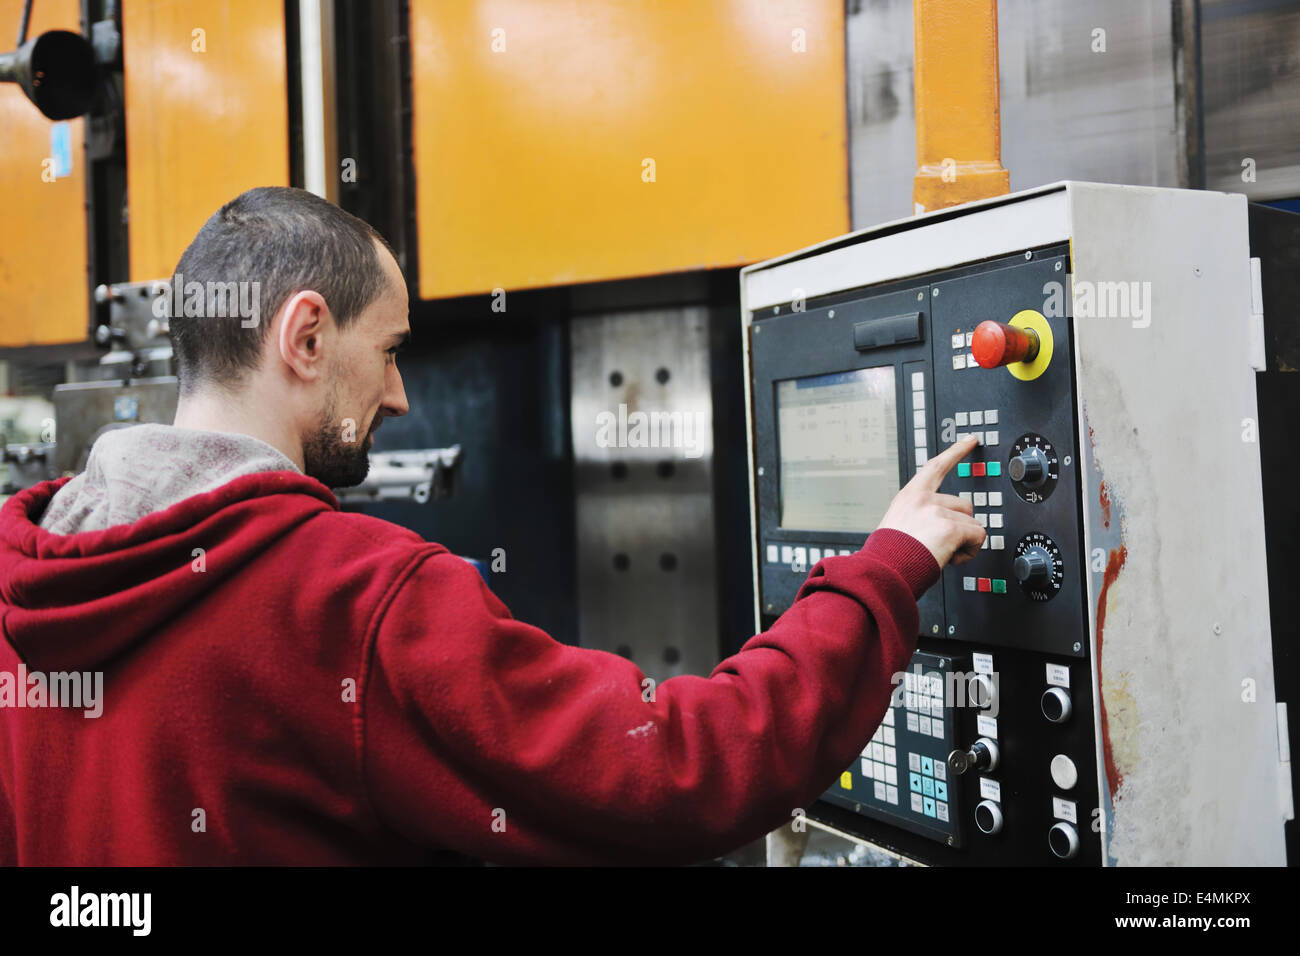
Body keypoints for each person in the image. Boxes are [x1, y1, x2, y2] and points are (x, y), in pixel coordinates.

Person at [0, 186, 984, 865]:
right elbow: (673, 769)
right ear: (304, 336)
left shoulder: (22, 574)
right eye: (386, 348)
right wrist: (884, 569)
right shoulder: (347, 593)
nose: (397, 392)